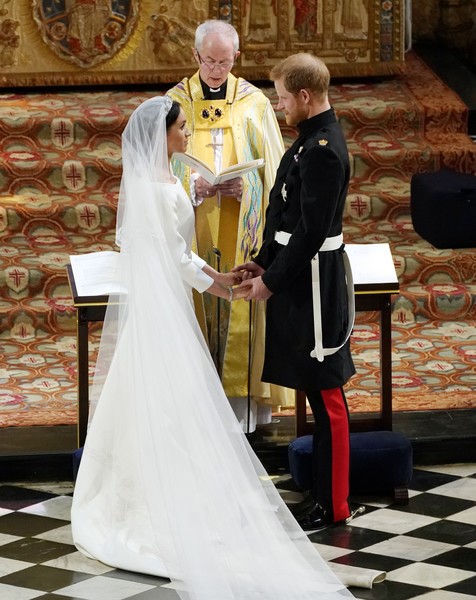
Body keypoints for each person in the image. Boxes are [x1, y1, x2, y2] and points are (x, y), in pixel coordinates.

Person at [70, 96, 356, 600]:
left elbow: (175, 252)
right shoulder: (156, 190)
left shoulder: (159, 182)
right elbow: (174, 255)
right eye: (182, 129)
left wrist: (222, 278)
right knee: (166, 397)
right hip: (166, 304)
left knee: (160, 399)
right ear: (163, 135)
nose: (187, 135)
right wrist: (221, 285)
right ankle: (153, 501)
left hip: (168, 299)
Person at [234, 53, 356, 531]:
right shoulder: (309, 140)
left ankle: (337, 503)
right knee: (312, 387)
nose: (280, 105)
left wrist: (271, 280)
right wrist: (263, 261)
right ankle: (324, 494)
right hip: (296, 276)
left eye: (284, 97)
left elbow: (311, 231)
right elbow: (284, 216)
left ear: (305, 96)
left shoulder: (323, 148)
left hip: (314, 284)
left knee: (327, 396)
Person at [167, 19, 294, 430]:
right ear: (195, 56)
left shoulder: (254, 102)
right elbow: (159, 165)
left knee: (240, 304)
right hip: (196, 223)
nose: (217, 70)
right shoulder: (175, 103)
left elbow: (273, 169)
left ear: (236, 57)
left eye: (225, 61)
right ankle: (194, 409)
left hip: (243, 226)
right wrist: (193, 185)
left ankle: (243, 414)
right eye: (209, 61)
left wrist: (250, 186)